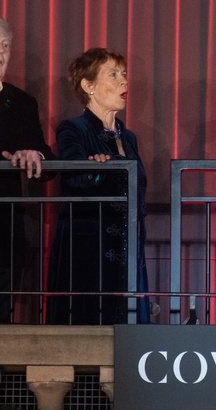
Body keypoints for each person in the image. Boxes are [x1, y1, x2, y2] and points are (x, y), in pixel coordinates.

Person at [47, 48, 150, 324]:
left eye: (124, 74)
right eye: (113, 75)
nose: (124, 81)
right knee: (90, 329)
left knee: (131, 333)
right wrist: (97, 170)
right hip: (89, 252)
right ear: (88, 86)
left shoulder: (129, 138)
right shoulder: (73, 129)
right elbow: (74, 176)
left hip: (129, 250)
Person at [0, 17, 54, 323]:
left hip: (6, 229)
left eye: (5, 45)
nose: (0, 53)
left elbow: (46, 159)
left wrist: (35, 155)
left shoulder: (21, 102)